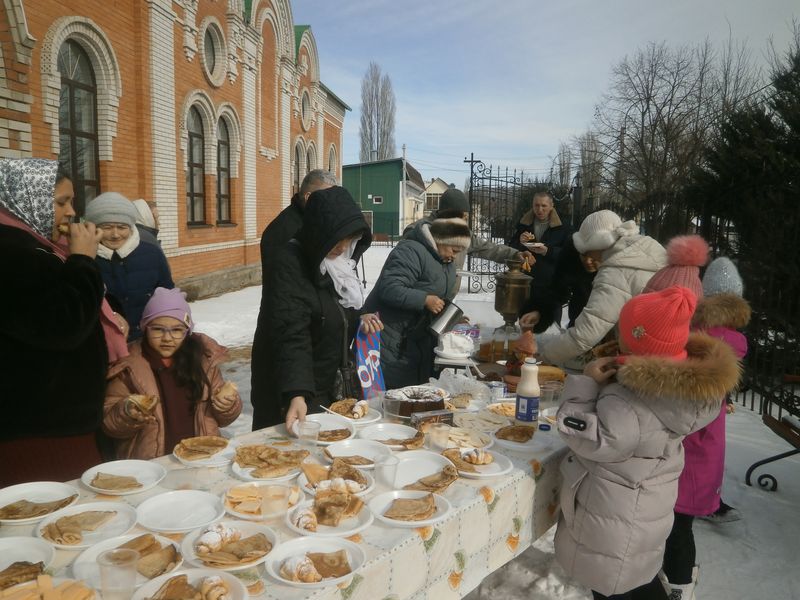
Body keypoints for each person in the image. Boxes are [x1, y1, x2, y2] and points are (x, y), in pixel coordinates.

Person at [554, 285, 740, 600]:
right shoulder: (680, 388)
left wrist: (584, 385)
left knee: (615, 589)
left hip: (612, 527)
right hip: (642, 514)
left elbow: (587, 438)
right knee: (636, 581)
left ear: (635, 339)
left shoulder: (631, 400)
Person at [0, 158, 110, 485]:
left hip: (56, 428)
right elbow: (63, 325)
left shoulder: (38, 248)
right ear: (26, 200)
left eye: (72, 201)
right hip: (38, 435)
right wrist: (82, 260)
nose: (71, 212)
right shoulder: (10, 255)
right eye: (61, 202)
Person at [251, 186, 382, 431]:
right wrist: (297, 393)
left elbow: (336, 311)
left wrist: (358, 316)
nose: (343, 247)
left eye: (349, 238)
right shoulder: (289, 263)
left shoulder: (337, 265)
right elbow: (291, 332)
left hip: (326, 385)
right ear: (319, 232)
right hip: (291, 390)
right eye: (337, 237)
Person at [659, 256, 751, 599]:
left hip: (688, 446)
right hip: (708, 447)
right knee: (680, 524)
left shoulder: (693, 338)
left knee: (677, 527)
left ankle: (680, 586)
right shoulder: (733, 342)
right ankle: (681, 579)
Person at [102, 287, 241, 459]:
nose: (167, 338)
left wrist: (227, 406)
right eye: (158, 329)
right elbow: (109, 422)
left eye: (176, 330)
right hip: (151, 465)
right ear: (145, 328)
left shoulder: (203, 362)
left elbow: (224, 419)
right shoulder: (128, 367)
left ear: (187, 332)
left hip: (201, 457)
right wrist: (127, 413)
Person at [532, 209, 666, 366]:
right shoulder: (647, 248)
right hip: (668, 346)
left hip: (644, 356)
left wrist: (545, 356)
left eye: (588, 251)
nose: (587, 258)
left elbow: (587, 332)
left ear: (601, 243)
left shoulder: (616, 270)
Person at [365, 212, 471, 389]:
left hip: (419, 340)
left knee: (420, 395)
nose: (454, 257)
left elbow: (438, 292)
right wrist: (424, 299)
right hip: (393, 340)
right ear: (442, 240)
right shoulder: (410, 251)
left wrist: (449, 316)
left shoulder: (444, 261)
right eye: (454, 250)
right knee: (397, 396)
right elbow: (390, 287)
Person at [404, 187, 531, 294]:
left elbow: (487, 248)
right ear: (448, 213)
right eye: (463, 217)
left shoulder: (462, 232)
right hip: (420, 302)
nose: (465, 222)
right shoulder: (417, 232)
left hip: (445, 301)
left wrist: (515, 254)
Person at [86, 192, 174, 340]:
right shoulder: (85, 258)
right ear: (94, 227)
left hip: (146, 343)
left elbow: (169, 297)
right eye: (107, 227)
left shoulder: (152, 254)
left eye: (121, 227)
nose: (115, 234)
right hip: (103, 345)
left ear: (131, 227)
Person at [259, 169, 337, 283]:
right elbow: (286, 281)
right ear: (308, 197)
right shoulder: (284, 229)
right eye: (327, 197)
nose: (331, 204)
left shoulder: (311, 221)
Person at [510, 191, 572, 325]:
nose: (540, 209)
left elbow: (569, 254)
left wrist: (548, 251)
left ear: (551, 206)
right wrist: (519, 242)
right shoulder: (524, 224)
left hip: (552, 284)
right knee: (526, 325)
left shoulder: (563, 226)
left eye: (544, 206)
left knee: (550, 327)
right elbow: (510, 249)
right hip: (527, 282)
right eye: (536, 205)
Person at [518, 236, 596, 334]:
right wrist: (539, 312)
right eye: (584, 255)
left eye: (594, 255)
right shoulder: (572, 259)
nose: (588, 261)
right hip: (578, 328)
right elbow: (557, 291)